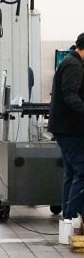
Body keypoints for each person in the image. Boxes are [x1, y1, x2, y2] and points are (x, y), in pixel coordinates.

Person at [48, 33, 84, 239]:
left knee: (72, 173)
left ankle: (68, 222)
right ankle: (71, 219)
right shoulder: (74, 65)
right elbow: (70, 95)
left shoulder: (72, 62)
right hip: (70, 130)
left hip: (67, 129)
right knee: (82, 172)